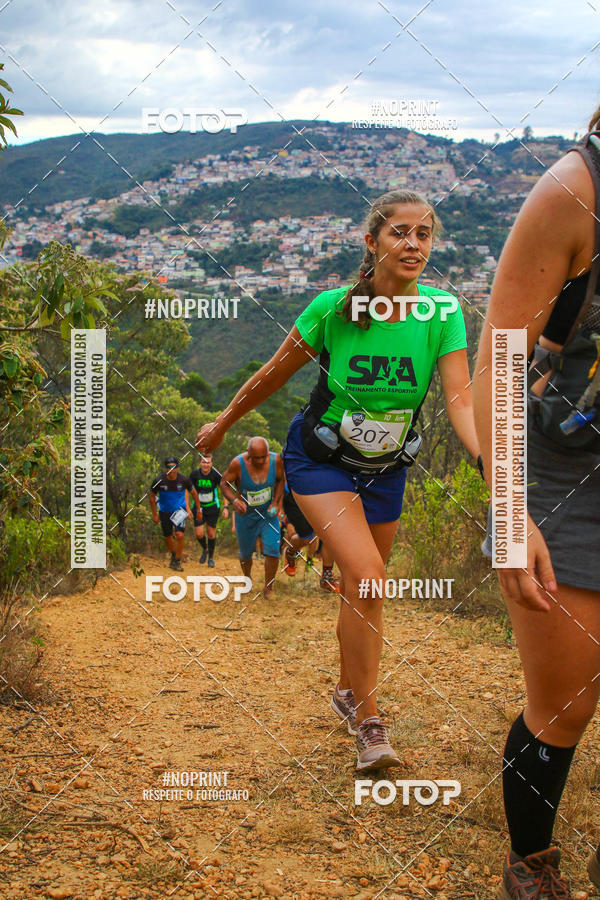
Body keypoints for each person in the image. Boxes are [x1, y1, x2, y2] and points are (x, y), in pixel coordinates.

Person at [197, 189, 480, 773]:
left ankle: (348, 691)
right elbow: (272, 375)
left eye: (424, 234)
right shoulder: (333, 309)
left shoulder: (442, 313)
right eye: (400, 232)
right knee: (370, 578)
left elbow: (460, 399)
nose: (413, 244)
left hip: (386, 471)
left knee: (361, 588)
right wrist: (223, 423)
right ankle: (370, 726)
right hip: (319, 461)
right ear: (371, 241)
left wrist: (487, 459)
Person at [473, 113, 600, 898]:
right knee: (566, 701)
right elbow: (502, 352)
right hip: (564, 467)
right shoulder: (573, 191)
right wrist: (509, 511)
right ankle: (531, 864)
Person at [218, 437, 284, 600]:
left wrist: (276, 502)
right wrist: (234, 501)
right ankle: (247, 578)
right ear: (249, 455)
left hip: (268, 515)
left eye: (264, 456)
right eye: (256, 458)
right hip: (245, 516)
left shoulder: (276, 461)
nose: (261, 461)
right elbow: (224, 483)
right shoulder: (237, 464)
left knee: (273, 550)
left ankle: (268, 588)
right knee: (246, 554)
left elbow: (282, 479)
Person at [282, 481, 340, 593]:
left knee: (331, 532)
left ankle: (326, 577)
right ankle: (290, 552)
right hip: (298, 492)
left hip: (326, 492)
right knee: (307, 538)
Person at [149, 457, 200, 571]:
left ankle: (177, 560)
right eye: (169, 467)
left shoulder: (184, 480)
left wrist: (198, 510)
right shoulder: (159, 480)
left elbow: (194, 494)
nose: (171, 470)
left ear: (177, 468)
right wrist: (154, 514)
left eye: (174, 467)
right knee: (167, 537)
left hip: (179, 511)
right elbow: (152, 496)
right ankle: (173, 555)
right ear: (165, 468)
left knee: (180, 535)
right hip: (164, 511)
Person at [188, 452, 229, 567]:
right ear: (200, 463)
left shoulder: (216, 475)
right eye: (203, 462)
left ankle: (210, 558)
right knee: (199, 534)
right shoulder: (194, 474)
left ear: (211, 463)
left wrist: (226, 507)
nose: (205, 465)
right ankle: (205, 549)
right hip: (198, 508)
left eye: (208, 462)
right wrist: (187, 508)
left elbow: (224, 490)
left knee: (211, 534)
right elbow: (187, 490)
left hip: (212, 507)